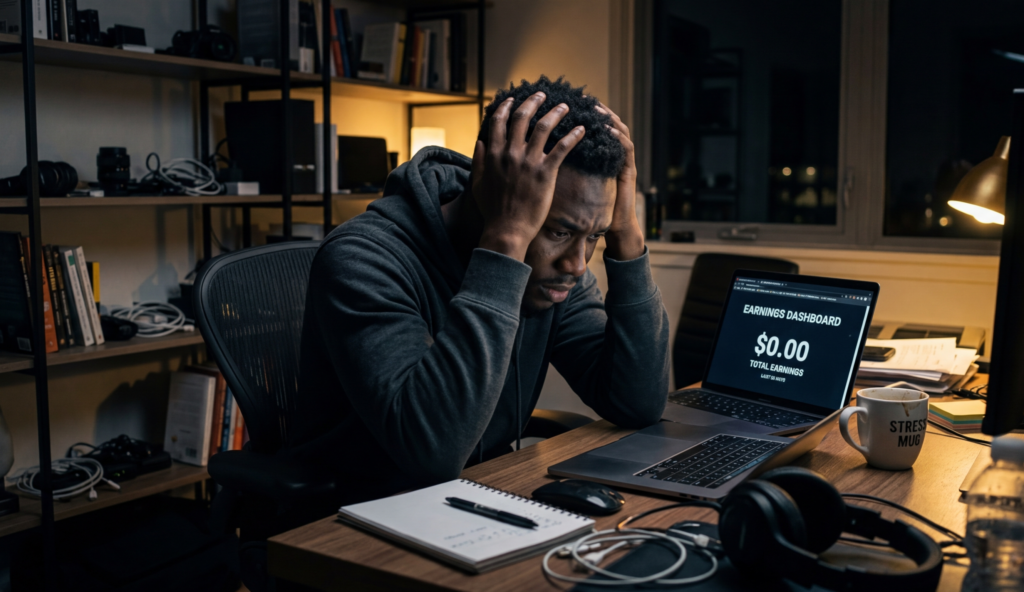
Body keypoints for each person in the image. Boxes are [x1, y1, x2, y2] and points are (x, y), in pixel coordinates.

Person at [294, 75, 669, 504]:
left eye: (594, 238)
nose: (578, 265)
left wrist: (625, 236)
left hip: (477, 498)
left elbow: (636, 404)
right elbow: (432, 452)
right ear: (490, 191)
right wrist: (507, 238)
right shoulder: (363, 258)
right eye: (560, 232)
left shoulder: (554, 273)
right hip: (350, 521)